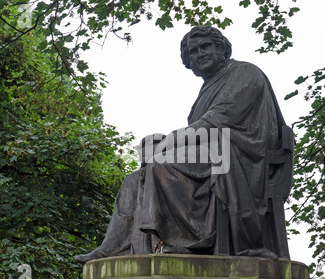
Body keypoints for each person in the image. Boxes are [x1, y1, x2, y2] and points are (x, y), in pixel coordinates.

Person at [75, 26, 287, 263]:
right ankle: (112, 249)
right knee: (134, 179)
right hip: (214, 156)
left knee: (161, 165)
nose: (200, 54)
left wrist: (166, 142)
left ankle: (190, 243)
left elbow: (217, 121)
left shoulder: (245, 72)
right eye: (193, 52)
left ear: (221, 48)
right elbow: (202, 131)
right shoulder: (208, 88)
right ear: (190, 63)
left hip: (242, 157)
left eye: (205, 46)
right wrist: (161, 142)